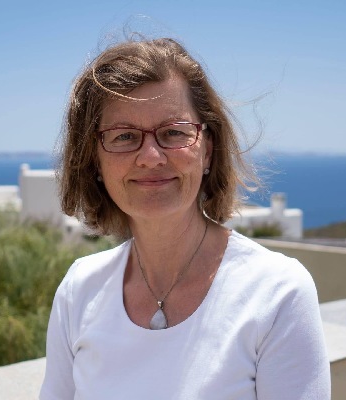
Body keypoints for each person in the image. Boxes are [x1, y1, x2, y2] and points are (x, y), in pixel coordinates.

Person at [40, 37, 330, 399]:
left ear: (207, 150)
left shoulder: (277, 292)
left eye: (173, 132)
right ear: (94, 160)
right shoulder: (79, 289)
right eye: (124, 136)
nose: (151, 156)